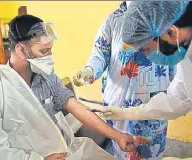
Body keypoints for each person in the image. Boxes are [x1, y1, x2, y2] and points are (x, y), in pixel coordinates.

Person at [0, 15, 139, 160]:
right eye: (44, 52)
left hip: (63, 148)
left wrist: (117, 136)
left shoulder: (47, 78)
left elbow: (78, 108)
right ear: (21, 50)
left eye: (50, 50)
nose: (50, 56)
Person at [99, 1, 192, 159]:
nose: (146, 56)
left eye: (146, 49)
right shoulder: (188, 48)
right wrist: (129, 112)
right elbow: (176, 99)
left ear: (171, 33)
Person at [73, 1, 176, 159]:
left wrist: (176, 93)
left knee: (152, 150)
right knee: (124, 148)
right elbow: (100, 53)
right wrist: (89, 70)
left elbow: (174, 61)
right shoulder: (113, 21)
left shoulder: (165, 21)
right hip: (119, 102)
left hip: (153, 101)